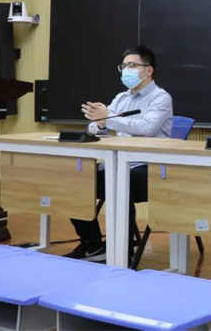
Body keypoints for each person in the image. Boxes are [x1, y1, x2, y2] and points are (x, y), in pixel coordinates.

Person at [64, 45, 173, 263]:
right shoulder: (121, 98)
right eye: (123, 66)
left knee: (120, 182)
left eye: (132, 65)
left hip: (149, 168)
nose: (126, 70)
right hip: (116, 164)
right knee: (73, 179)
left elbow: (147, 128)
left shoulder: (160, 97)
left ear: (148, 70)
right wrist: (100, 124)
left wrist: (108, 119)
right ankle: (93, 245)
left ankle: (123, 251)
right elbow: (97, 127)